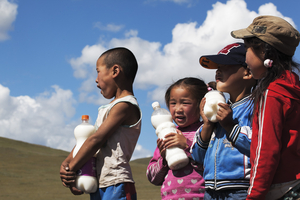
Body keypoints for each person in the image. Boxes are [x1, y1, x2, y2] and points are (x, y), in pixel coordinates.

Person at [231, 15, 300, 200]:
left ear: (263, 51)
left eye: (247, 48)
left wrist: (254, 196)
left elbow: (266, 150)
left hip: (278, 189)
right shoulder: (293, 87)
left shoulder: (272, 93)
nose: (245, 58)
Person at [60, 47, 142, 200]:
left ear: (115, 71)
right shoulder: (110, 107)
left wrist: (71, 168)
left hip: (117, 183)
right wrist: (67, 163)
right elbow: (85, 140)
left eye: (98, 71)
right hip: (100, 183)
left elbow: (96, 140)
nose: (96, 79)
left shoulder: (125, 105)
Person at [191, 43, 257, 200]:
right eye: (217, 67)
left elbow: (260, 146)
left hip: (240, 190)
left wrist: (229, 126)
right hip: (210, 191)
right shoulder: (218, 109)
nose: (217, 71)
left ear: (247, 72)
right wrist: (207, 124)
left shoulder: (256, 107)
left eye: (225, 65)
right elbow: (197, 157)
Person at [147, 77, 207, 200]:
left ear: (201, 105)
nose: (178, 109)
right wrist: (164, 160)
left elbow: (213, 166)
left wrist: (187, 146)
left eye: (185, 103)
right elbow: (152, 178)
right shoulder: (166, 135)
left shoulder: (205, 131)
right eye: (173, 103)